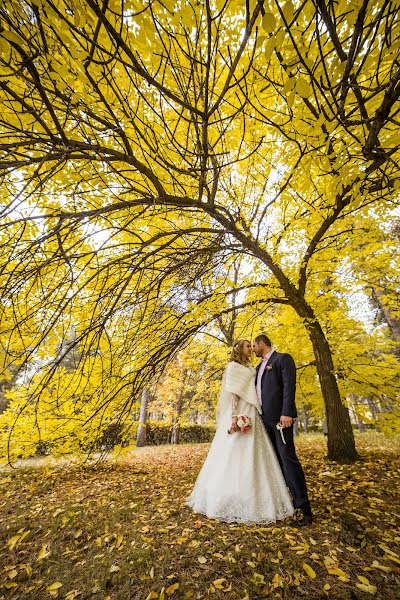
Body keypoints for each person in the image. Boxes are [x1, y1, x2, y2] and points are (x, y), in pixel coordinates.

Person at [186, 339, 294, 523]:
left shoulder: (253, 367)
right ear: (238, 349)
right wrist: (235, 417)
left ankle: (259, 496)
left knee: (257, 454)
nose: (251, 348)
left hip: (254, 412)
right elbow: (233, 394)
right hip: (241, 411)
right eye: (247, 346)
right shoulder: (233, 367)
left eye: (252, 346)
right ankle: (228, 496)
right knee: (234, 452)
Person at [253, 334, 313, 527]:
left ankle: (304, 509)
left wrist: (287, 412)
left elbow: (289, 386)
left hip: (281, 419)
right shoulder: (257, 368)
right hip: (264, 422)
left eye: (254, 345)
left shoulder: (282, 359)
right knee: (276, 461)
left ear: (262, 344)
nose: (253, 349)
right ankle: (288, 501)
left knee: (288, 459)